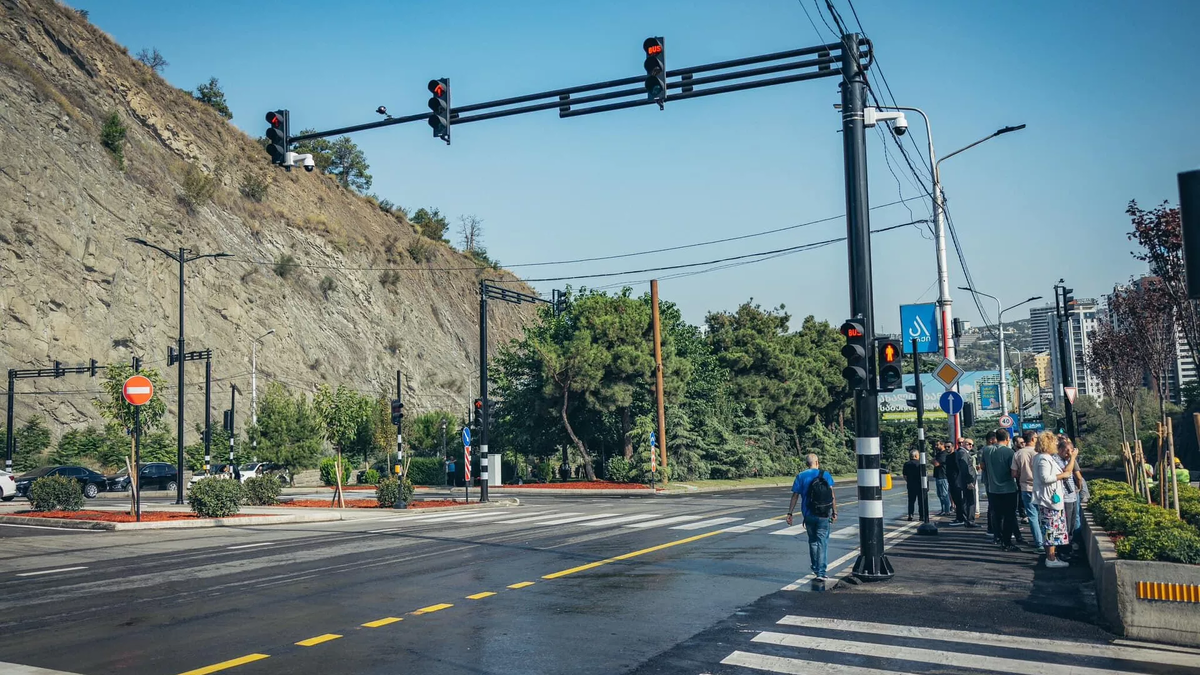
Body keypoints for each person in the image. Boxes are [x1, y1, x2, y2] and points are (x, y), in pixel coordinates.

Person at [787, 453, 837, 583]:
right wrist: (834, 511)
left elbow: (795, 496)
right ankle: (821, 572)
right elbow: (832, 495)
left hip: (808, 514)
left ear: (806, 463)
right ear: (817, 462)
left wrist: (790, 513)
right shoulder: (825, 475)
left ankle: (815, 568)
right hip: (824, 514)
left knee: (813, 541)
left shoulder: (801, 476)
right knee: (822, 542)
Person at [1033, 430, 1077, 568]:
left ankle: (1052, 557)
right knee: (1050, 528)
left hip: (1050, 499)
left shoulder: (1044, 457)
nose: (1057, 445)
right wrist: (1063, 476)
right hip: (1049, 500)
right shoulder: (1043, 459)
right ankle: (1051, 558)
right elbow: (1045, 478)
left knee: (1051, 528)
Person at [985, 429, 1020, 551]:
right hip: (1008, 488)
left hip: (993, 488)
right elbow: (1013, 471)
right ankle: (1007, 542)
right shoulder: (1009, 452)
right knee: (1009, 516)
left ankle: (998, 537)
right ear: (1007, 439)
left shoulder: (987, 450)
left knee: (996, 515)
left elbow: (983, 466)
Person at [1012, 430, 1043, 552]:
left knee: (1032, 516)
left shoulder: (1018, 454)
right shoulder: (1040, 452)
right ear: (1033, 439)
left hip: (1025, 487)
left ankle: (1039, 542)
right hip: (1041, 487)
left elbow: (1014, 473)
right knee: (1043, 515)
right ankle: (1048, 540)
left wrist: (1022, 474)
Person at [1056, 437, 1084, 555]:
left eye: (1071, 451)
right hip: (1064, 497)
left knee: (1072, 524)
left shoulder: (1069, 459)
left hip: (1072, 495)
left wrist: (1079, 487)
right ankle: (1063, 550)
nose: (1068, 454)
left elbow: (1078, 476)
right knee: (1065, 525)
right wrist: (1072, 458)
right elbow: (1066, 472)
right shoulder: (1056, 459)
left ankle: (1070, 546)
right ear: (1059, 450)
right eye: (1066, 451)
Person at [952, 438, 979, 527]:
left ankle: (968, 519)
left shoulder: (962, 452)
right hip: (967, 480)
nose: (971, 446)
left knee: (968, 500)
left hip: (967, 479)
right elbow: (965, 467)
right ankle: (970, 520)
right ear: (963, 444)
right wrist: (969, 481)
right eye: (968, 444)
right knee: (971, 500)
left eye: (972, 444)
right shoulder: (962, 453)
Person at [980, 431, 999, 537]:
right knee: (992, 504)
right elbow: (982, 466)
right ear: (991, 440)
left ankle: (992, 527)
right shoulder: (985, 450)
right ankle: (991, 527)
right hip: (989, 479)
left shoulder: (986, 450)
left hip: (989, 479)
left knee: (993, 504)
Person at [945, 439, 963, 523]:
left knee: (958, 500)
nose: (947, 448)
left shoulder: (955, 455)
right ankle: (958, 517)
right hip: (951, 480)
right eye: (945, 447)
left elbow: (959, 468)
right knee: (955, 499)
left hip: (956, 480)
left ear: (952, 447)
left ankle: (961, 518)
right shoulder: (947, 456)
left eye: (948, 447)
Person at [902, 450, 923, 521]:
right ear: (916, 456)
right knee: (921, 501)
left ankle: (910, 514)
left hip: (911, 484)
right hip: (920, 484)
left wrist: (909, 481)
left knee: (911, 501)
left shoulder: (906, 464)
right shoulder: (920, 464)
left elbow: (905, 476)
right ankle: (921, 516)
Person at [933, 441, 952, 516]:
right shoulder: (939, 454)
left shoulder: (944, 454)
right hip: (938, 476)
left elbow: (936, 463)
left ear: (942, 445)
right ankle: (943, 510)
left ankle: (947, 511)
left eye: (937, 445)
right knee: (940, 494)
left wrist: (933, 460)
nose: (936, 446)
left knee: (944, 494)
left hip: (943, 476)